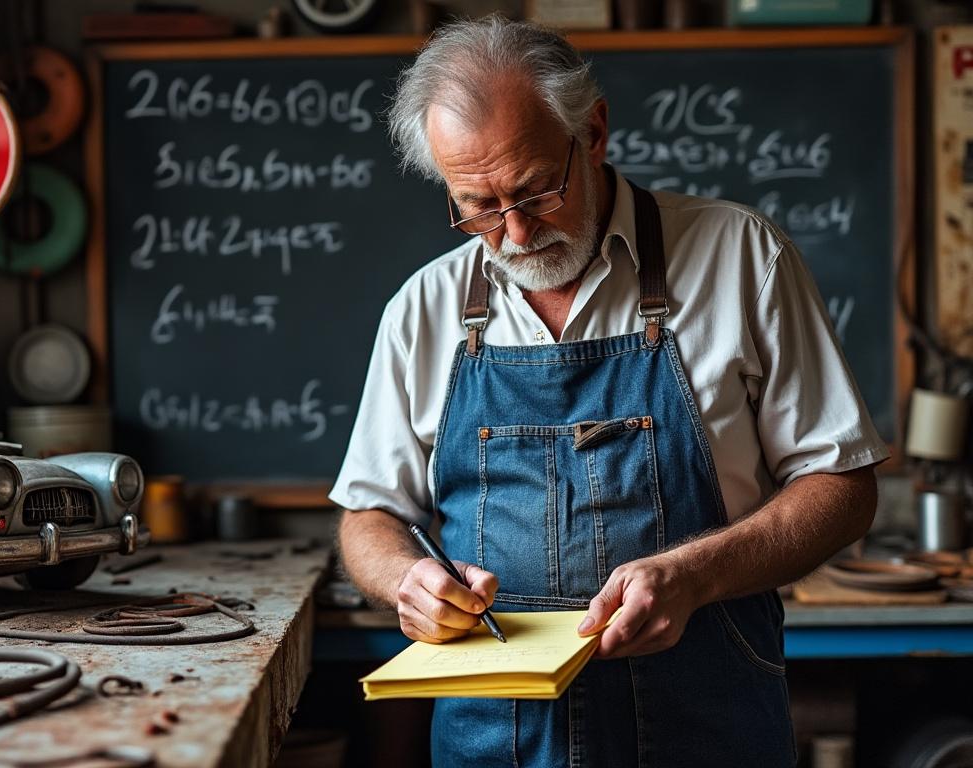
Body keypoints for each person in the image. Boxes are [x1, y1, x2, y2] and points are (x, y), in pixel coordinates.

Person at [330, 16, 887, 767]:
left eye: (535, 190)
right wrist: (408, 579)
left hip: (707, 723)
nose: (516, 233)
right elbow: (369, 514)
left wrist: (695, 575)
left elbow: (843, 485)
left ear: (592, 133)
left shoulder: (740, 258)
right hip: (496, 735)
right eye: (478, 205)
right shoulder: (422, 311)